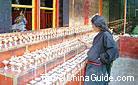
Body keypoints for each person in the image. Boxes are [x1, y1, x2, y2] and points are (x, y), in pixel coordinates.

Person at [79, 14, 119, 85]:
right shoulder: (101, 34)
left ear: (97, 25)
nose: (92, 27)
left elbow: (114, 50)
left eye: (93, 25)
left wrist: (101, 58)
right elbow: (97, 48)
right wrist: (84, 42)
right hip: (94, 67)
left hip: (97, 68)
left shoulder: (106, 35)